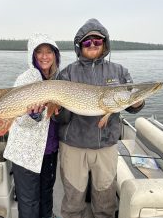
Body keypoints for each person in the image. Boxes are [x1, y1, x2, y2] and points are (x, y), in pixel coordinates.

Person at [55, 18, 144, 218]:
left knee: (105, 202)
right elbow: (60, 119)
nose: (93, 45)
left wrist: (138, 103)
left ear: (105, 43)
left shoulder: (119, 72)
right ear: (80, 46)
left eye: (97, 41)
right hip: (74, 146)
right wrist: (58, 109)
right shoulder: (68, 73)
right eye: (87, 42)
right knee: (73, 202)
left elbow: (129, 103)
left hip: (106, 145)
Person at [3, 33, 60, 218]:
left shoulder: (57, 80)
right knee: (29, 204)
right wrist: (33, 115)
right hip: (25, 154)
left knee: (46, 199)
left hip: (49, 151)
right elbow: (19, 120)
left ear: (55, 55)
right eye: (39, 52)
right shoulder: (26, 79)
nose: (44, 56)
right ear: (32, 55)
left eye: (49, 51)